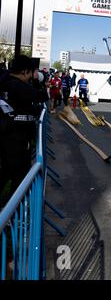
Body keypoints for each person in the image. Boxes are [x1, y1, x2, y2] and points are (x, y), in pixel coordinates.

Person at [0, 55, 48, 205]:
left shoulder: (5, 81)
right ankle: (11, 214)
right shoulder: (17, 85)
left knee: (6, 172)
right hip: (16, 138)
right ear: (26, 71)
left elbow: (27, 106)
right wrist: (38, 82)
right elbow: (42, 96)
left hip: (8, 134)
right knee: (18, 176)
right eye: (31, 73)